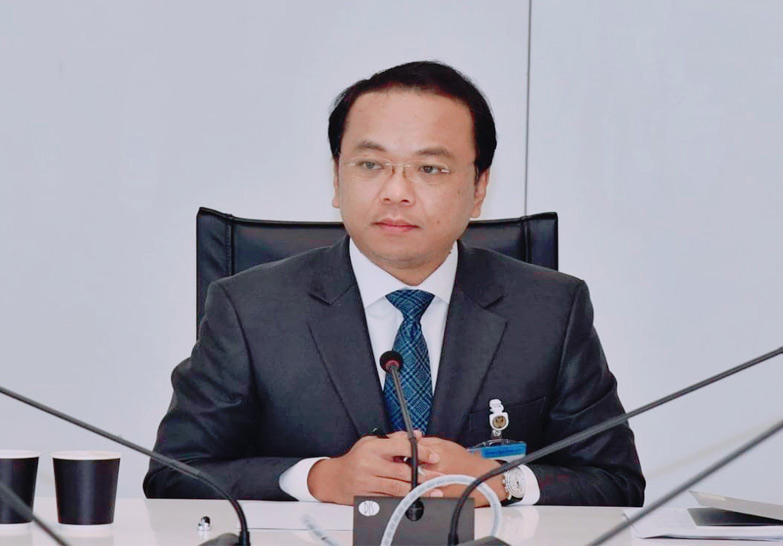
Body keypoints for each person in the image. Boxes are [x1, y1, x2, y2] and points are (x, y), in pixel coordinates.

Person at [144, 60, 645, 507]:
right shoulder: (249, 309)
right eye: (370, 165)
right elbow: (174, 475)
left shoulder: (551, 309)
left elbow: (616, 481)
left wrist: (499, 481)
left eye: (430, 168)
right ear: (336, 178)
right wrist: (319, 479)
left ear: (479, 189)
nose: (396, 191)